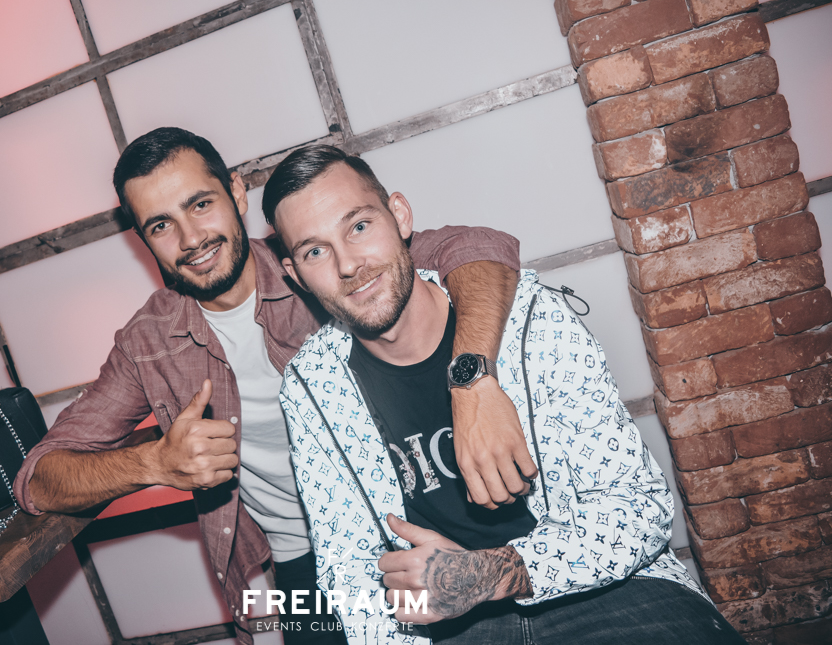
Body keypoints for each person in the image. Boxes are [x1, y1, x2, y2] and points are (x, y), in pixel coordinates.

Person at [12, 127, 532, 645]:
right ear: (143, 239)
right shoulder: (149, 343)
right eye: (162, 225)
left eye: (200, 204)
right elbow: (39, 478)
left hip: (416, 523)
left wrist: (472, 382)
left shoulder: (313, 259)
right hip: (303, 562)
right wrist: (153, 463)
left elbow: (480, 248)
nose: (191, 239)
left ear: (237, 193)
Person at [266, 144, 747, 644]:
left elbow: (639, 506)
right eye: (315, 251)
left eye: (360, 226)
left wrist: (492, 574)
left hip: (602, 591)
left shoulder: (530, 319)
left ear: (401, 216)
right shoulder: (312, 386)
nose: (348, 264)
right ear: (296, 275)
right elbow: (349, 569)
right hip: (450, 627)